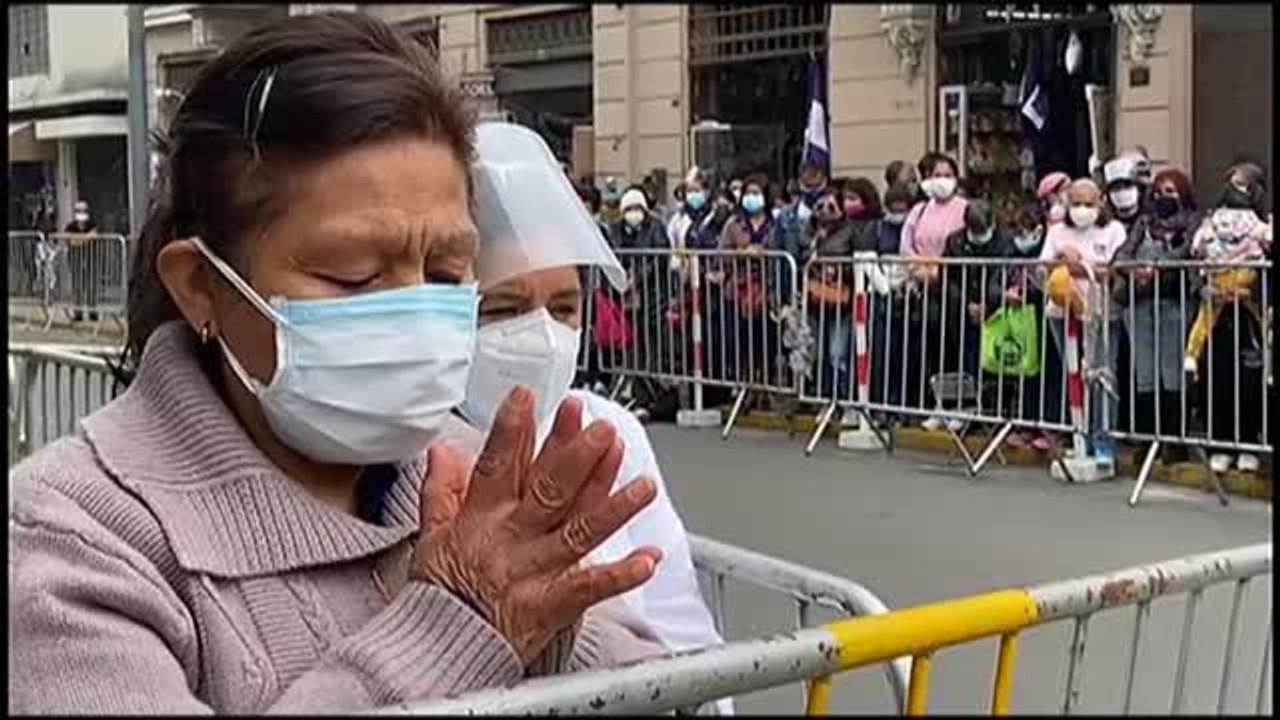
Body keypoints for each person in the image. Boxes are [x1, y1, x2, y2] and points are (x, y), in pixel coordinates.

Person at [8, 13, 661, 714]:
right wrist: (460, 626)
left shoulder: (466, 474)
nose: (414, 315)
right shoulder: (73, 543)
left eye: (446, 273)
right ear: (202, 286)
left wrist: (550, 633)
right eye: (352, 275)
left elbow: (667, 680)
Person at [461, 123, 732, 715]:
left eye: (563, 308)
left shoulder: (608, 429)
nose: (541, 335)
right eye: (504, 308)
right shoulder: (408, 450)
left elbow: (680, 622)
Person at [1039, 178, 1128, 469]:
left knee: (1101, 376)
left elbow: (1112, 271)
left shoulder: (1114, 231)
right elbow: (1045, 267)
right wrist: (1069, 265)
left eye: (1088, 204)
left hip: (1101, 313)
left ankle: (1103, 440)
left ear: (1101, 201)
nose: (1082, 210)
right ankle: (1079, 436)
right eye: (1076, 203)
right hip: (1061, 313)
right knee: (1075, 375)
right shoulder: (1056, 231)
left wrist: (1075, 262)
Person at [1183, 180, 1271, 474]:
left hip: (1249, 316)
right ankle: (1220, 444)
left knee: (1250, 382)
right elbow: (1193, 263)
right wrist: (1208, 291)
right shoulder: (1209, 230)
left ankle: (1249, 443)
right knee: (1216, 379)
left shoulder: (1262, 233)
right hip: (1217, 313)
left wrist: (1253, 293)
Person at [1110, 167, 1198, 462]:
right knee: (1145, 373)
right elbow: (1123, 254)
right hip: (1139, 302)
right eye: (1159, 192)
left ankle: (1176, 441)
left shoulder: (1192, 223)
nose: (1163, 197)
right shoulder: (1144, 222)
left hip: (1174, 302)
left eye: (1170, 192)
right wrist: (1135, 272)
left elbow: (1185, 253)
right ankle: (1148, 439)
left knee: (1172, 373)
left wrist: (1158, 268)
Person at [900, 152, 969, 428]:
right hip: (923, 286)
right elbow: (906, 246)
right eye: (936, 175)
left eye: (947, 174)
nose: (941, 180)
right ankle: (939, 403)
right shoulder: (919, 210)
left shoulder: (964, 208)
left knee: (955, 345)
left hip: (952, 288)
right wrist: (920, 270)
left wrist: (940, 271)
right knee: (931, 346)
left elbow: (962, 247)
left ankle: (961, 405)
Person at [610, 186, 680, 420]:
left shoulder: (656, 226)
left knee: (655, 348)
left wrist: (637, 279)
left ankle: (657, 399)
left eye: (638, 208)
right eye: (629, 209)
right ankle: (640, 397)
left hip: (654, 296)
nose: (634, 213)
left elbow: (658, 257)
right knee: (635, 349)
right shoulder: (616, 230)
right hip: (629, 300)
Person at [797, 184, 858, 422]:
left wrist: (837, 270)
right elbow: (799, 256)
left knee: (838, 352)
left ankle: (846, 401)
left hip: (840, 302)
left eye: (831, 206)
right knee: (819, 353)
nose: (825, 211)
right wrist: (814, 244)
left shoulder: (849, 232)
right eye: (820, 206)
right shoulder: (807, 231)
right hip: (814, 300)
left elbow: (854, 262)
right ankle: (826, 400)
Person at [719, 174, 782, 390]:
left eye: (756, 194)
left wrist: (765, 253)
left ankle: (766, 380)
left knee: (765, 339)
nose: (751, 198)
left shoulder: (776, 223)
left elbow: (784, 250)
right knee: (739, 338)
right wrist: (741, 253)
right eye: (748, 194)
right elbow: (721, 253)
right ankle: (742, 382)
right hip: (737, 289)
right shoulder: (734, 224)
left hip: (766, 290)